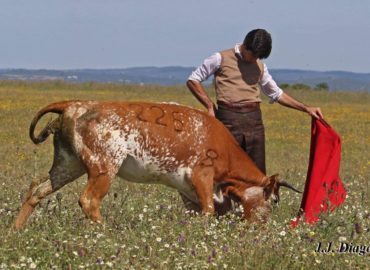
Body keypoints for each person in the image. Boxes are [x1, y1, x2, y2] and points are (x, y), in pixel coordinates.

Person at [186, 29, 323, 174]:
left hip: (254, 123)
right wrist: (209, 105)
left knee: (256, 174)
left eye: (259, 56)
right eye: (253, 55)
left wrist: (306, 108)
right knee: (225, 172)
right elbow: (193, 80)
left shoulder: (260, 66)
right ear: (245, 45)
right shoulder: (220, 58)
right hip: (227, 121)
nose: (255, 59)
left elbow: (276, 93)